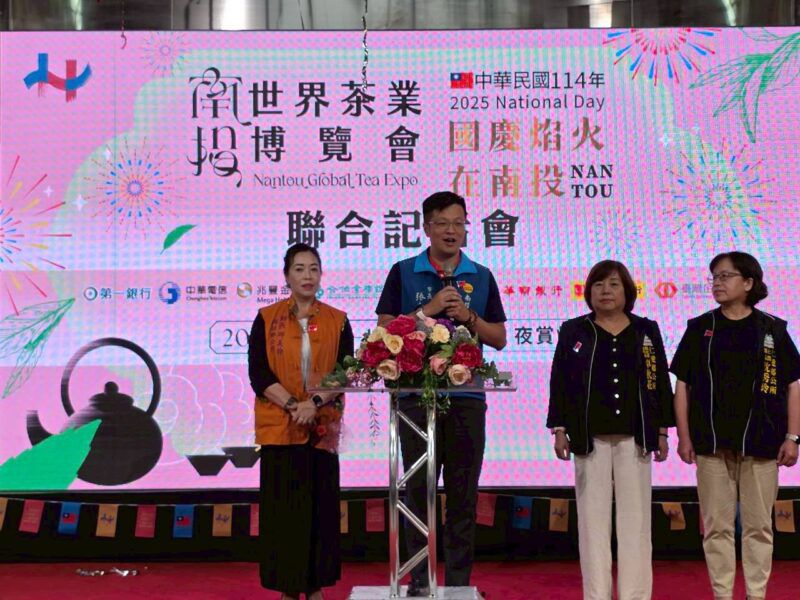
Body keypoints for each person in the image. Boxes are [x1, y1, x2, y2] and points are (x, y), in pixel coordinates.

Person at [375, 191, 507, 594]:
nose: (452, 231)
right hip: (415, 399)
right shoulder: (403, 272)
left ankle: (459, 585)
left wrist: (468, 316)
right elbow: (382, 333)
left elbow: (499, 338)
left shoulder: (480, 275)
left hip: (467, 399)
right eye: (443, 223)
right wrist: (427, 310)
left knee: (463, 496)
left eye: (459, 223)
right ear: (427, 227)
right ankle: (419, 581)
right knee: (418, 494)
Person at [671, 251, 800, 600]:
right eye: (714, 276)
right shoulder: (700, 328)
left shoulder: (772, 329)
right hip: (711, 444)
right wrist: (684, 436)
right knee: (717, 528)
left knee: (759, 527)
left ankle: (756, 594)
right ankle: (723, 594)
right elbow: (683, 385)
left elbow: (793, 385)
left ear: (748, 282)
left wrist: (792, 436)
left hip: (762, 442)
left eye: (725, 276)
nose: (717, 282)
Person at [546, 260, 672, 600]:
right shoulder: (574, 330)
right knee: (592, 523)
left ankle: (635, 594)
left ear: (627, 291)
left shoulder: (646, 330)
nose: (605, 291)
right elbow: (560, 382)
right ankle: (596, 594)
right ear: (588, 291)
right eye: (599, 284)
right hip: (589, 438)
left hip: (636, 437)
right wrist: (559, 428)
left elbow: (659, 382)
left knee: (636, 522)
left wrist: (662, 431)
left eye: (614, 284)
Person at [248, 243, 354, 600]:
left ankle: (315, 586)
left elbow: (344, 371)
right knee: (284, 512)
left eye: (313, 269)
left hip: (321, 428)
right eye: (299, 269)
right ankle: (289, 589)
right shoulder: (266, 318)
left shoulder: (339, 320)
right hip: (281, 426)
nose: (307, 276)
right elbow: (259, 373)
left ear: (321, 274)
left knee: (320, 511)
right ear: (287, 276)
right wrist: (296, 406)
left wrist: (315, 403)